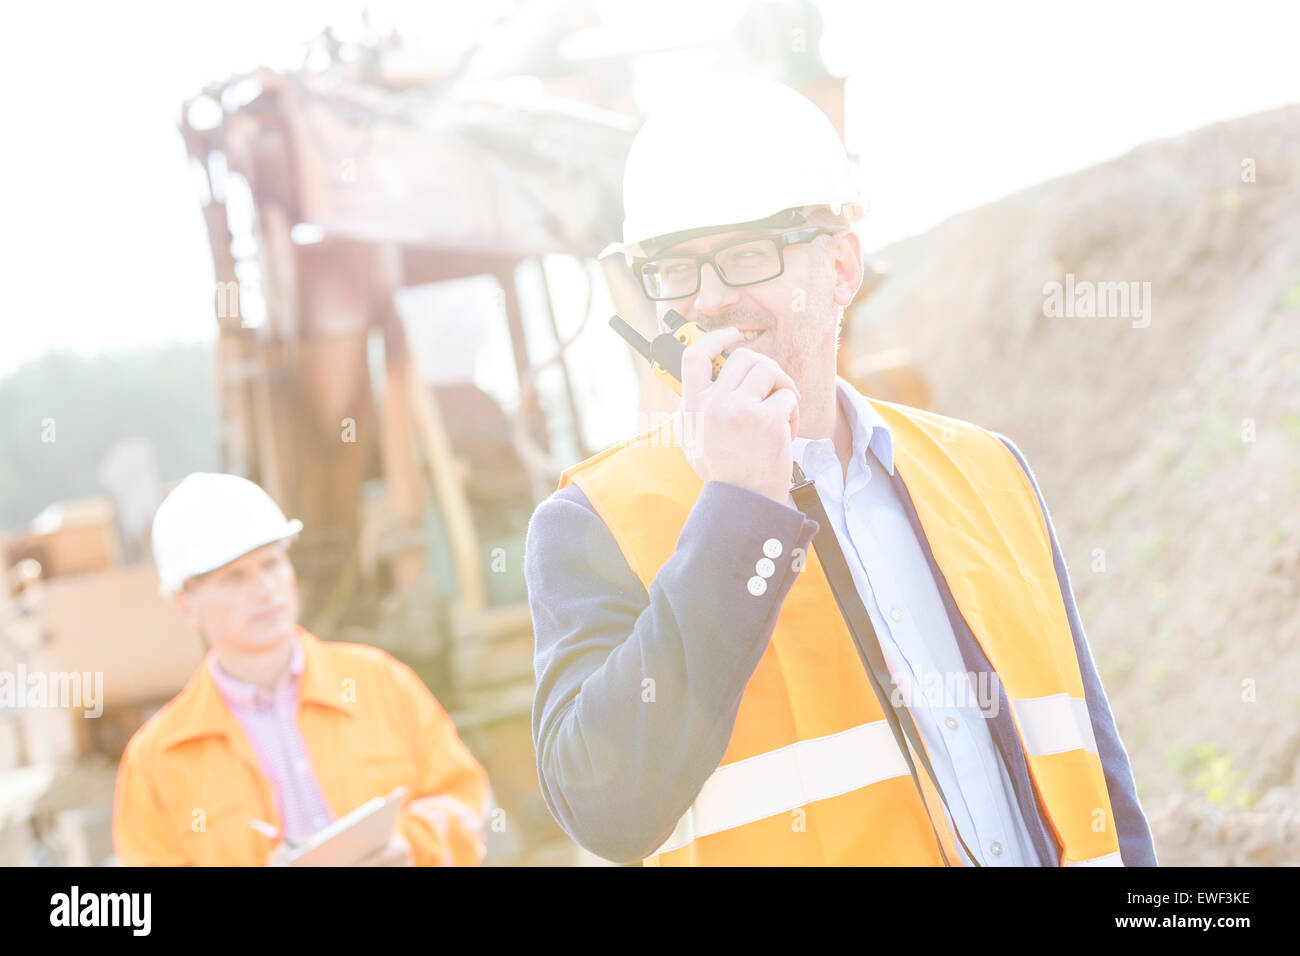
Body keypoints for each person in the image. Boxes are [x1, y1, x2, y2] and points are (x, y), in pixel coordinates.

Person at [524, 74, 1157, 866]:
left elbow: (1097, 772)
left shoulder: (989, 472)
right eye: (675, 269)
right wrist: (735, 512)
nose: (709, 299)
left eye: (748, 254)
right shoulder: (595, 522)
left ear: (843, 268)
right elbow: (605, 809)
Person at [113, 472, 490, 866]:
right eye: (234, 577)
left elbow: (465, 803)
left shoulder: (380, 683)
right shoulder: (156, 761)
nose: (265, 591)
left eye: (271, 564)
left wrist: (411, 847)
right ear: (185, 604)